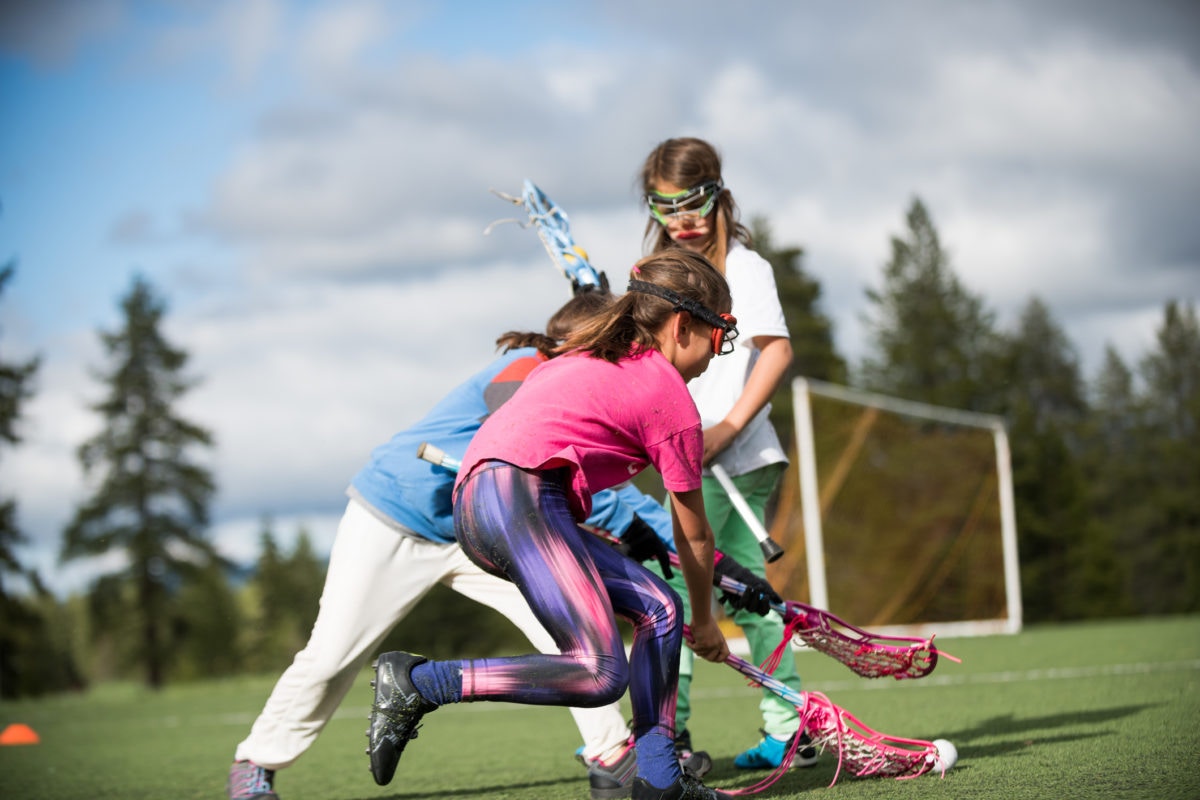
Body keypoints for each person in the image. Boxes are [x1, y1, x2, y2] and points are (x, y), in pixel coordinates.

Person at [228, 291, 639, 800]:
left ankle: (611, 754)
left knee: (572, 634)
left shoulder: (572, 386)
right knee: (331, 655)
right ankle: (255, 762)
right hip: (394, 517)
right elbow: (524, 447)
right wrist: (616, 518)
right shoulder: (526, 366)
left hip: (472, 531)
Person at [367, 250, 742, 800]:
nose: (716, 353)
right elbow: (694, 535)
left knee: (659, 608)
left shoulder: (586, 354)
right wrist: (707, 623)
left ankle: (661, 781)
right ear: (684, 325)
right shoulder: (670, 397)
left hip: (481, 503)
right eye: (719, 335)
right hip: (519, 499)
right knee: (600, 671)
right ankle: (420, 683)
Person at [639, 137, 815, 772]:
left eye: (693, 202)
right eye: (665, 207)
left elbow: (777, 350)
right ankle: (777, 729)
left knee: (697, 590)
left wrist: (730, 427)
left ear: (718, 194)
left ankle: (681, 735)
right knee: (703, 593)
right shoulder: (660, 272)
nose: (682, 219)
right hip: (689, 455)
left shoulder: (744, 268)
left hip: (735, 456)